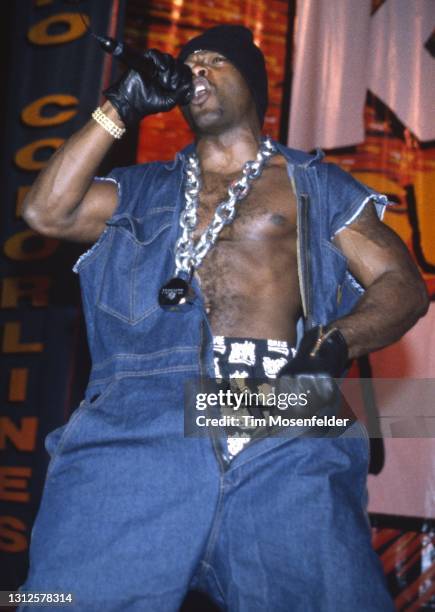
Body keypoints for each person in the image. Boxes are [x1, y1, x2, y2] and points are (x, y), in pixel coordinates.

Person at [18, 24, 428, 612]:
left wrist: (337, 341)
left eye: (215, 61)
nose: (198, 70)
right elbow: (45, 211)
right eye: (190, 62)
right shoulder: (136, 189)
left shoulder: (315, 185)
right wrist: (119, 106)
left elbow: (402, 283)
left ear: (253, 86)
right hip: (141, 413)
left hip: (286, 411)